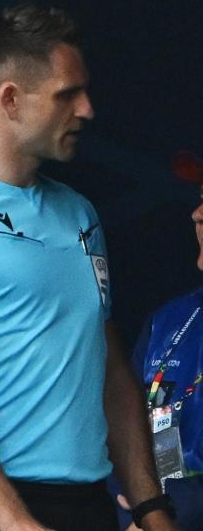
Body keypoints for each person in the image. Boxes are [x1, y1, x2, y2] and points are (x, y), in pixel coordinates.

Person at [0, 4, 178, 530]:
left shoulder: (80, 214)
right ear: (10, 99)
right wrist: (18, 526)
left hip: (85, 507)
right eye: (68, 94)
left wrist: (151, 506)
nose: (87, 109)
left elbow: (107, 366)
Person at [115, 150, 203, 530]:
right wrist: (144, 509)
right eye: (200, 198)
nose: (198, 215)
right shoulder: (169, 321)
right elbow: (126, 425)